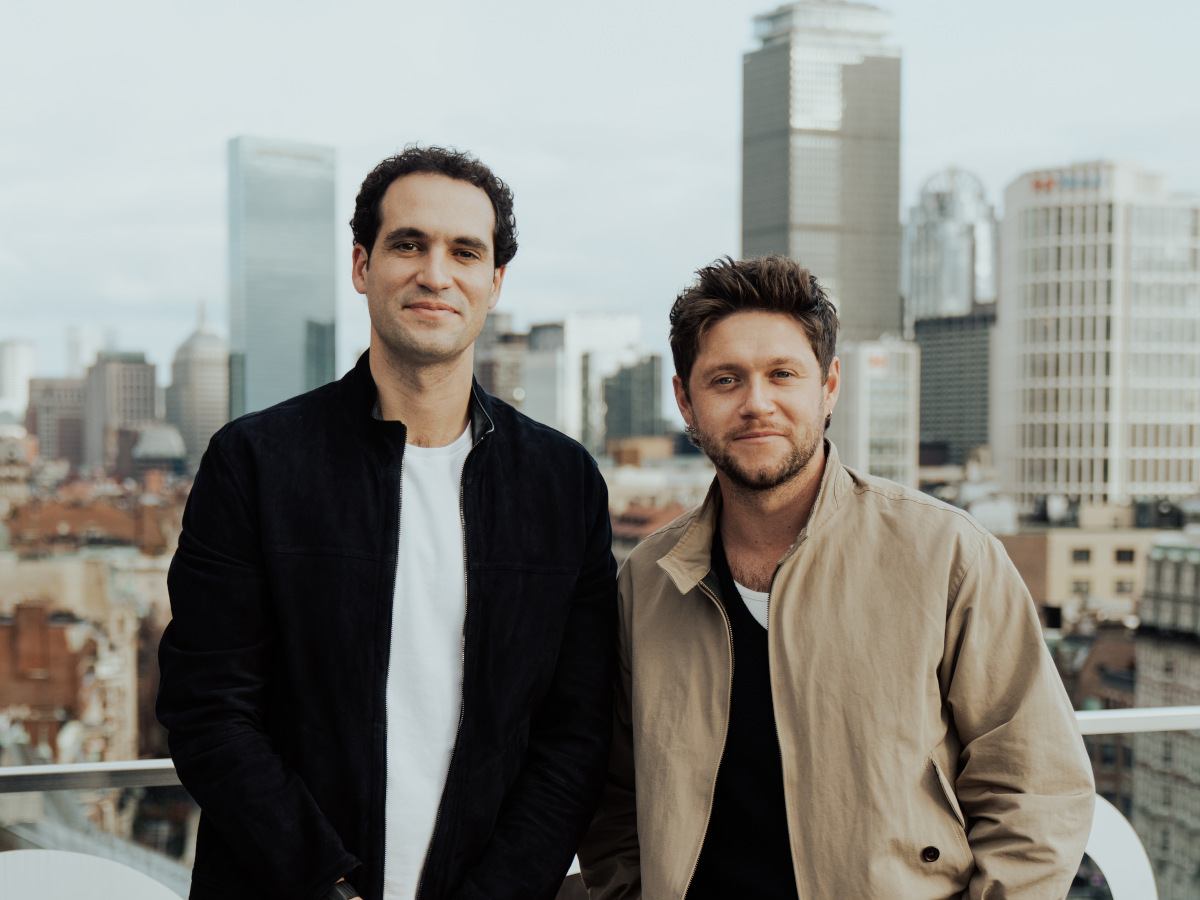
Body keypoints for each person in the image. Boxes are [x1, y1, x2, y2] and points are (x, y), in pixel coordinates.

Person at [157, 146, 617, 900]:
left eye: (465, 251)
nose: (436, 273)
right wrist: (326, 883)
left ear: (494, 282)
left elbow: (575, 737)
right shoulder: (255, 462)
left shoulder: (562, 485)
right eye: (409, 244)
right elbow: (208, 710)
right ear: (362, 266)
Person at [579, 255, 1094, 899]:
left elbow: (1036, 788)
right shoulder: (646, 582)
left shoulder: (945, 555)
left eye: (782, 375)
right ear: (686, 399)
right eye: (726, 380)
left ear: (829, 387)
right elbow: (612, 796)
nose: (756, 404)